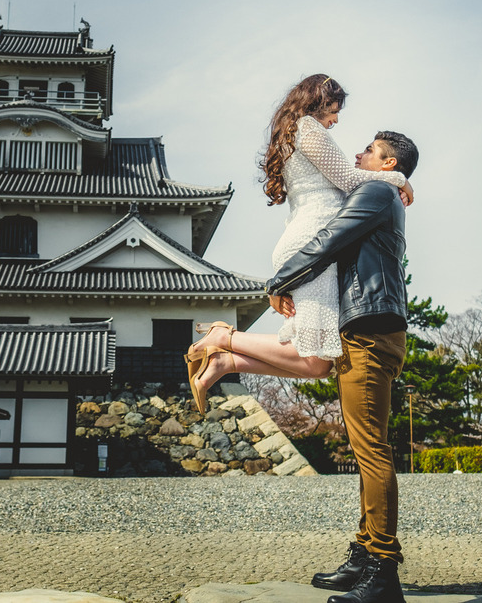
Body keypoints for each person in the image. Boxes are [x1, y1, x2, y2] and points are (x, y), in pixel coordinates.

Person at [183, 75, 412, 412]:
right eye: (335, 110)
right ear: (320, 101)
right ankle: (223, 338)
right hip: (313, 245)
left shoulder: (297, 131)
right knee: (315, 354)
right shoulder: (308, 128)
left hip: (310, 242)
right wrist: (398, 178)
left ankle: (226, 362)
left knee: (318, 364)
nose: (336, 119)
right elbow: (349, 180)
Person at [268, 129, 419, 603]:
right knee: (364, 447)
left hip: (371, 330)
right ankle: (364, 555)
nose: (357, 155)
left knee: (371, 449)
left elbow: (330, 239)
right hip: (371, 327)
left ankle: (382, 570)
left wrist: (280, 279)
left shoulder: (375, 190)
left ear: (388, 163)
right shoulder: (380, 190)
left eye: (369, 152)